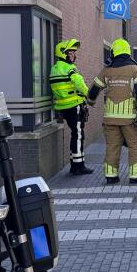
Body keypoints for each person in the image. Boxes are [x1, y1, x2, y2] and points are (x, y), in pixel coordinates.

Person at [87, 38, 137, 184]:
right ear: (127, 51)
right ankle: (136, 175)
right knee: (135, 145)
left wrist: (91, 102)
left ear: (114, 52)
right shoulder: (134, 69)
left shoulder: (106, 70)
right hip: (129, 118)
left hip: (110, 118)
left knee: (112, 146)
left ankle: (111, 175)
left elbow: (93, 90)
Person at [50, 39, 94, 175]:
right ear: (63, 53)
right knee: (79, 135)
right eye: (71, 52)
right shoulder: (69, 68)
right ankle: (79, 166)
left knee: (75, 135)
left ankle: (74, 164)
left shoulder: (55, 68)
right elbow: (79, 83)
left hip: (63, 107)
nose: (74, 55)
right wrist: (89, 95)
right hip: (74, 106)